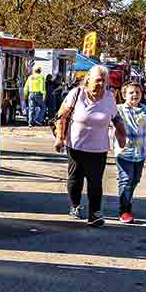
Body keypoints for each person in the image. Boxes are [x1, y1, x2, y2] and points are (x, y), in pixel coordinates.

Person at [54, 65, 123, 227]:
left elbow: (116, 118)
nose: (101, 84)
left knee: (95, 181)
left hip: (98, 147)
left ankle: (95, 214)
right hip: (76, 145)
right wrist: (60, 138)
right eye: (98, 80)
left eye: (104, 81)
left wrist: (122, 135)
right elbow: (62, 117)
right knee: (75, 179)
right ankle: (75, 205)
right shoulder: (76, 94)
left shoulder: (109, 97)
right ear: (88, 80)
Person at [114, 83, 146, 223]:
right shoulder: (118, 110)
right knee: (126, 179)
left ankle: (127, 201)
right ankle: (124, 210)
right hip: (124, 153)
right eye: (131, 93)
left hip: (140, 153)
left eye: (137, 92)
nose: (134, 95)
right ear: (124, 95)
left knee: (135, 179)